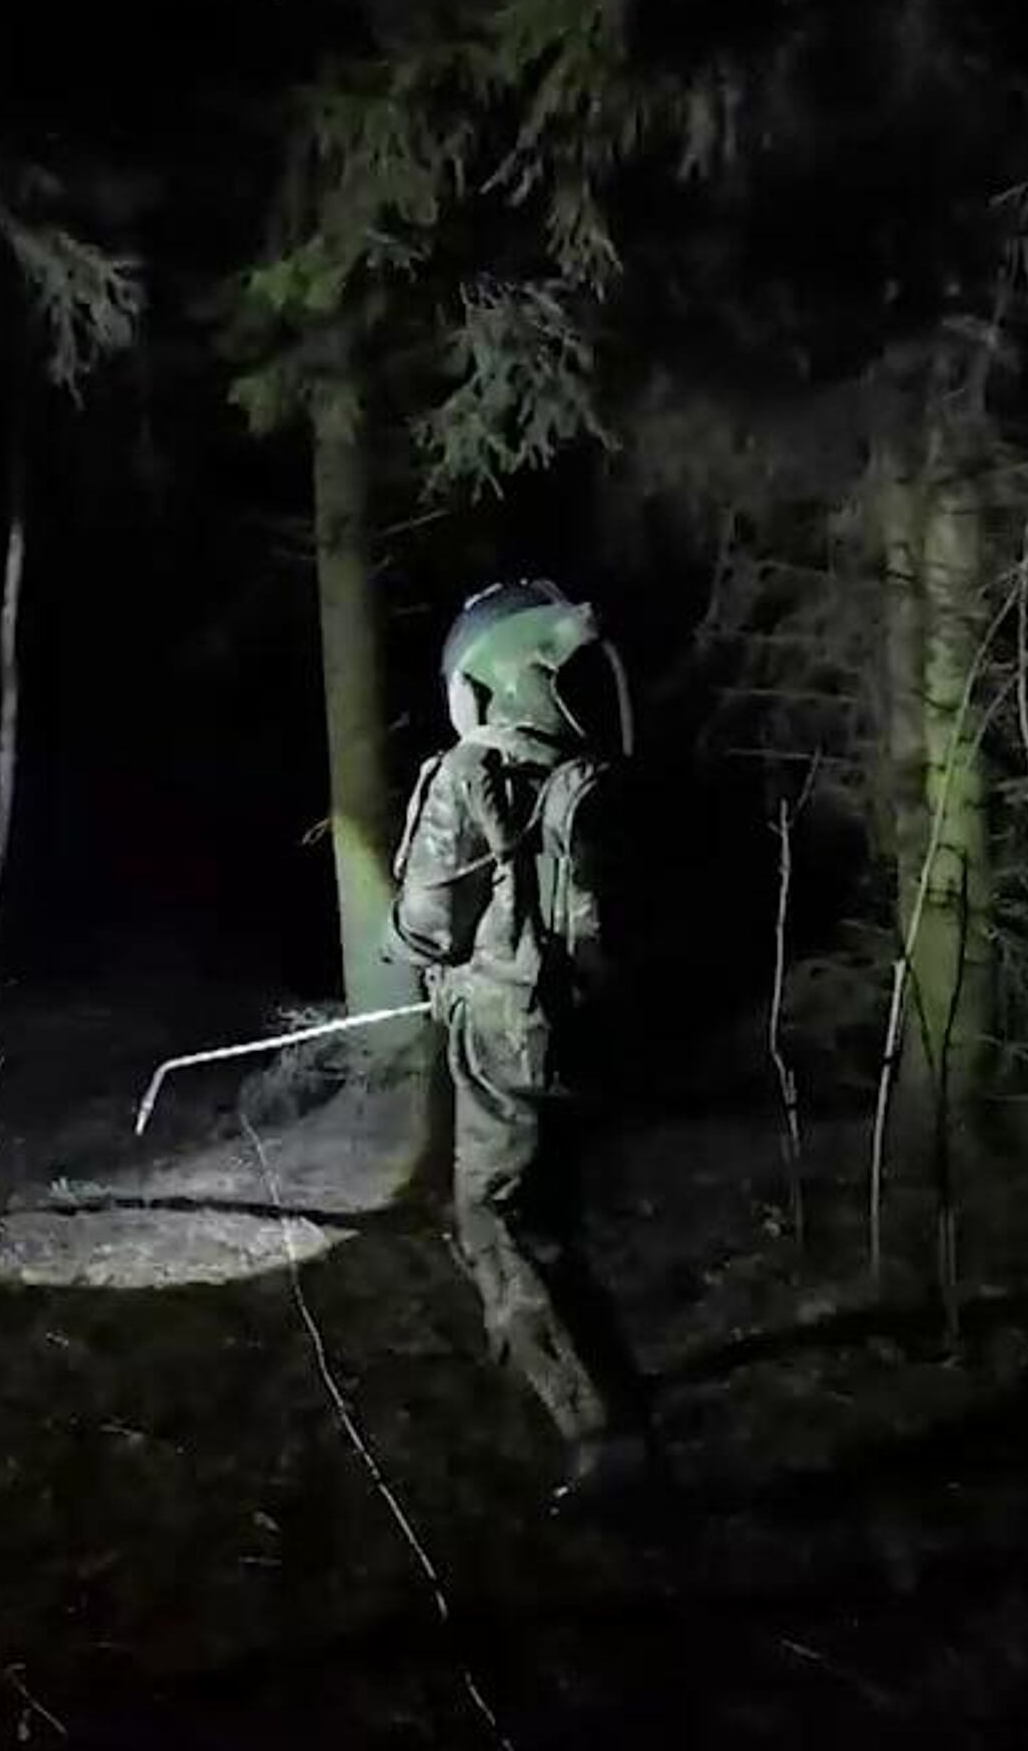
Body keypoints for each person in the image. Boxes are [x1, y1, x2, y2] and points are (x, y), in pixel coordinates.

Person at [384, 579, 657, 1507]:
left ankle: (603, 1436)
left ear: (484, 683)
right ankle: (564, 1361)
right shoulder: (592, 771)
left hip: (505, 1038)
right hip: (585, 1028)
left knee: (495, 1219)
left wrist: (399, 942)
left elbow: (431, 924)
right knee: (551, 1216)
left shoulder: (470, 773)